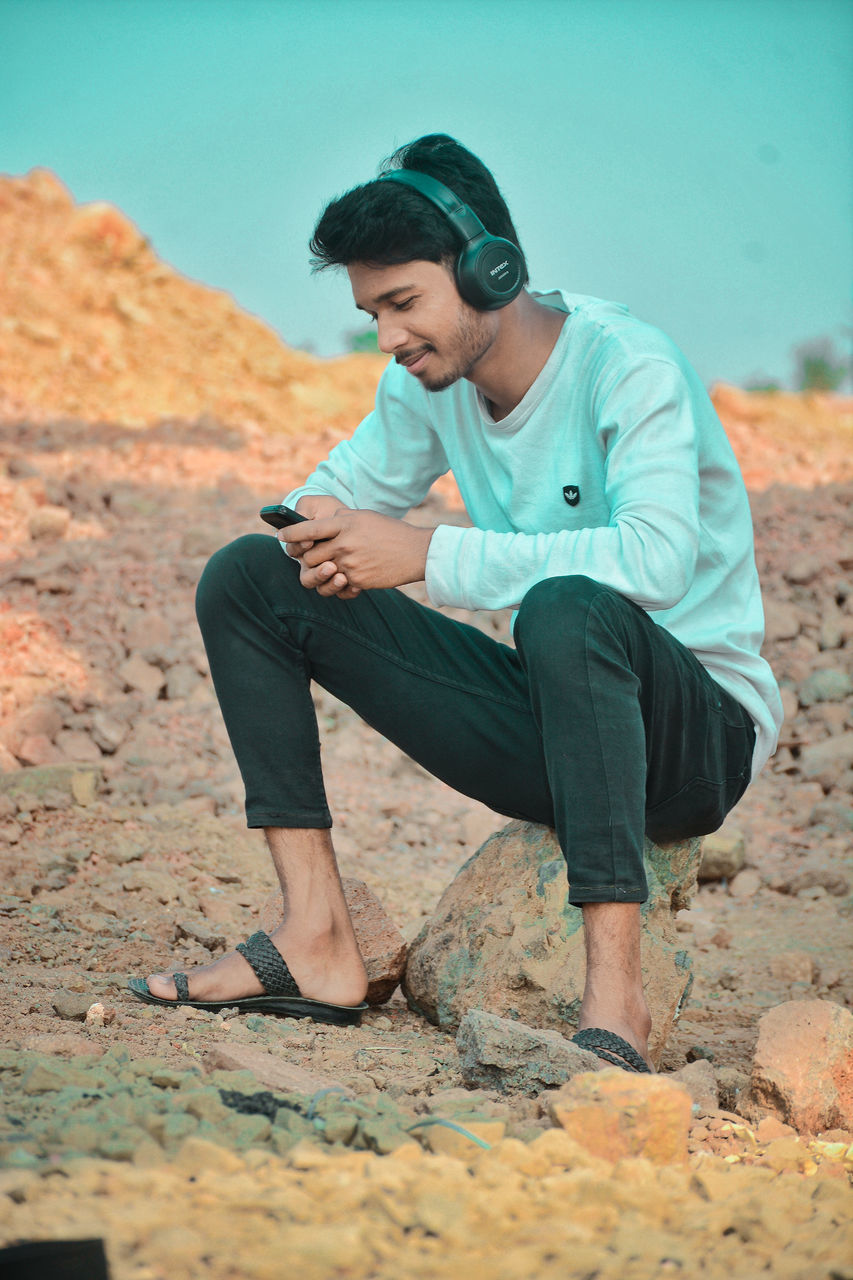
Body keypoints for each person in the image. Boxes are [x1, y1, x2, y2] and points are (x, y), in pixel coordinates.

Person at [129, 134, 782, 1072]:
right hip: (560, 728)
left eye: (402, 304)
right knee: (249, 576)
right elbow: (339, 485)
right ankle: (314, 940)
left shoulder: (627, 365)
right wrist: (318, 524)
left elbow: (657, 560)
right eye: (371, 313)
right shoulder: (432, 383)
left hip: (694, 743)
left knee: (567, 604)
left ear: (489, 269)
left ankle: (616, 1005)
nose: (387, 338)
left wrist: (424, 552)